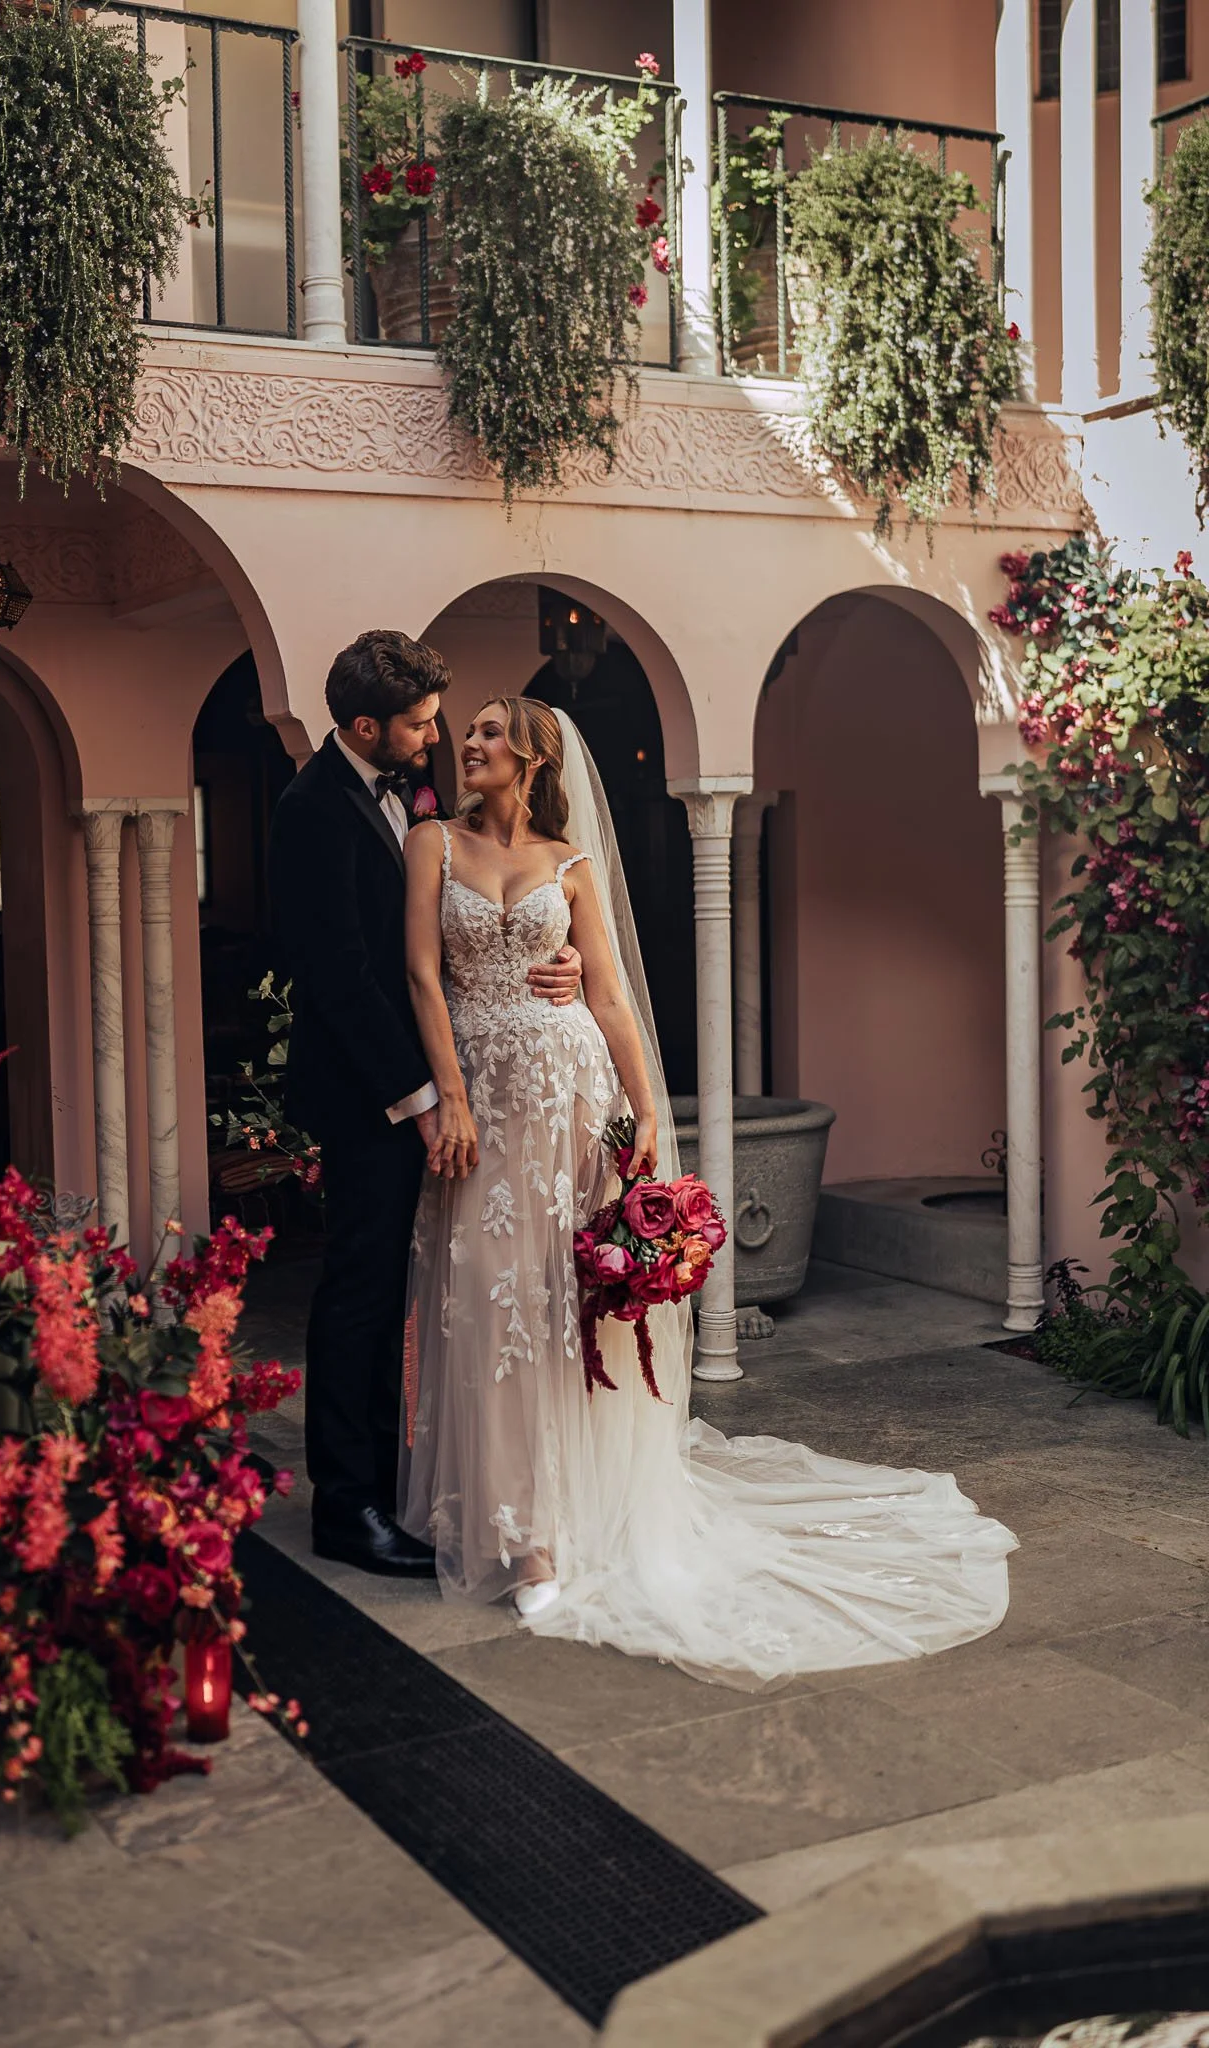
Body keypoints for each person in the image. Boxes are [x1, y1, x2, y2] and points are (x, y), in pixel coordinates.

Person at [397, 696, 1017, 1684]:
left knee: (574, 1309)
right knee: (494, 1302)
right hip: (491, 1111)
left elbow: (605, 995)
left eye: (486, 731)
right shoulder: (432, 841)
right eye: (462, 731)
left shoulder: (571, 861)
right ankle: (519, 1533)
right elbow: (423, 977)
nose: (466, 743)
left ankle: (571, 1510)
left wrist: (643, 1114)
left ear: (532, 753)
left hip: (575, 1099)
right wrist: (454, 1101)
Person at [268, 634, 581, 1578]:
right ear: (367, 726)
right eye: (419, 722)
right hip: (375, 1093)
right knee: (360, 1294)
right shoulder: (312, 808)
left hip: (448, 1079)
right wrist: (420, 1096)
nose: (436, 734)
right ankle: (346, 1506)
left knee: (416, 1288)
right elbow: (342, 975)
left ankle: (409, 1480)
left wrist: (552, 963)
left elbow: (450, 935)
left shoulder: (405, 793)